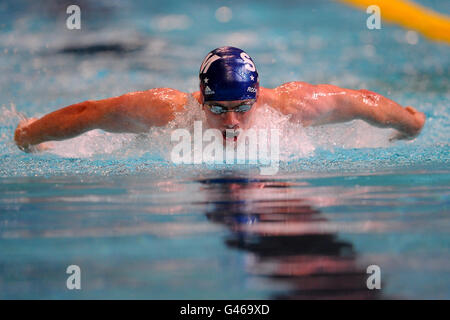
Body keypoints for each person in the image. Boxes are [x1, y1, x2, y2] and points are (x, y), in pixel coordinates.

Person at [14, 46, 426, 152]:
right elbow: (91, 114)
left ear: (257, 97)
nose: (231, 123)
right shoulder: (168, 111)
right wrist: (29, 134)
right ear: (200, 98)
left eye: (242, 108)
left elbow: (362, 103)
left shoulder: (293, 105)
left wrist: (409, 124)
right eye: (217, 109)